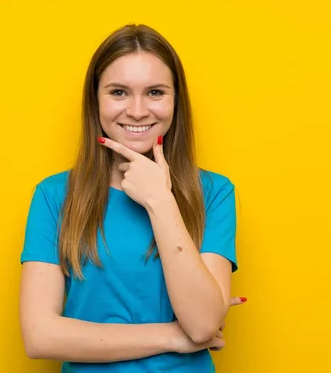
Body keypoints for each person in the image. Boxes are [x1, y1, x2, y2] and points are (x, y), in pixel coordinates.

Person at [19, 23, 246, 372]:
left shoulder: (214, 193)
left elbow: (202, 325)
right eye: (119, 92)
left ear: (176, 101)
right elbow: (40, 336)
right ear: (95, 100)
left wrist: (160, 200)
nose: (138, 111)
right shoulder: (54, 196)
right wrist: (173, 337)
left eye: (155, 92)